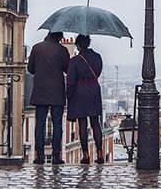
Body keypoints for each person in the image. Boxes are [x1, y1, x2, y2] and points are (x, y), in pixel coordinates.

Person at [27, 31, 70, 164]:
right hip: (57, 91)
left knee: (40, 124)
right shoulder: (62, 50)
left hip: (41, 90)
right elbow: (67, 69)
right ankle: (56, 156)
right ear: (58, 37)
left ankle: (39, 156)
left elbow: (30, 69)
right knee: (57, 124)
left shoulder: (37, 48)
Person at [66, 34, 104, 164]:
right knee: (95, 123)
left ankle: (86, 155)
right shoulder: (98, 57)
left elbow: (70, 81)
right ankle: (100, 153)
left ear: (78, 45)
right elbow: (98, 72)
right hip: (94, 89)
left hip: (80, 91)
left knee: (82, 124)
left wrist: (69, 95)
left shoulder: (75, 61)